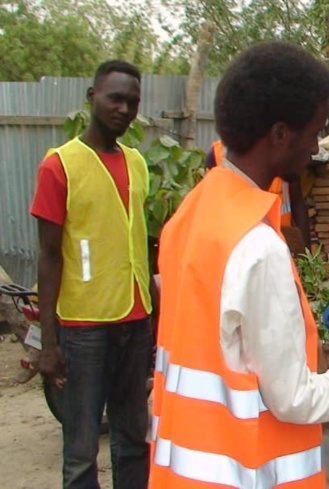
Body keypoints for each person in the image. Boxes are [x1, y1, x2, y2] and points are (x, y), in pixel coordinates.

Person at [149, 41, 329, 489]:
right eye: (315, 130)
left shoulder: (189, 216)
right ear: (281, 134)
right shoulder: (257, 246)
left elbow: (224, 349)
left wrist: (319, 357)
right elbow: (294, 401)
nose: (317, 146)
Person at [30, 60, 154, 489]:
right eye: (115, 98)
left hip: (135, 321)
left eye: (132, 101)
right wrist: (49, 343)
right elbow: (48, 256)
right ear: (92, 98)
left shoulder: (137, 164)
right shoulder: (59, 166)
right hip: (84, 327)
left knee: (135, 438)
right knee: (82, 448)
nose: (124, 108)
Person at [206, 139, 313, 253]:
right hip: (235, 243)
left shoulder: (283, 152)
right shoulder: (217, 153)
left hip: (282, 240)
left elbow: (297, 202)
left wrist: (307, 256)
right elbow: (211, 205)